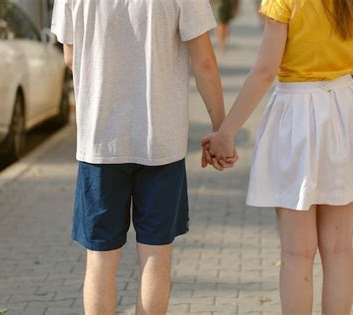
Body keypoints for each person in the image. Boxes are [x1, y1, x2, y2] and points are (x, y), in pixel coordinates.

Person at [202, 0, 353, 314]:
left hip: (296, 116)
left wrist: (227, 132)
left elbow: (265, 71)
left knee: (297, 252)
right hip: (346, 109)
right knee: (339, 248)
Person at [51, 1, 237, 314]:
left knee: (100, 261)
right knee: (156, 257)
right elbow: (204, 61)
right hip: (161, 144)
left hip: (100, 144)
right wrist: (221, 130)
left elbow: (70, 57)